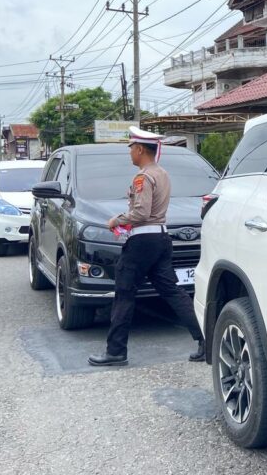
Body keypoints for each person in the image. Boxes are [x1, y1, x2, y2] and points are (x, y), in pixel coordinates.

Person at [88, 126, 205, 367]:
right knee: (173, 292)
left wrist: (116, 220)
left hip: (142, 241)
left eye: (131, 148)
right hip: (161, 238)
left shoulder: (143, 177)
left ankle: (116, 352)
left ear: (140, 149)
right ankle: (205, 341)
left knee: (124, 293)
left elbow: (141, 213)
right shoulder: (162, 173)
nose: (130, 152)